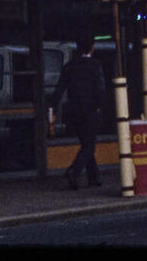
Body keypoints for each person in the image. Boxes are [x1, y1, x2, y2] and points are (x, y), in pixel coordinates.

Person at [50, 39, 107, 189]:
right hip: (90, 110)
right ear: (92, 48)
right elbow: (101, 89)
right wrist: (100, 106)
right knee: (89, 146)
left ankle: (94, 177)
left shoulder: (69, 67)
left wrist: (53, 109)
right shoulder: (95, 66)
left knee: (86, 143)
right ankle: (74, 171)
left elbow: (59, 89)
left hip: (74, 111)